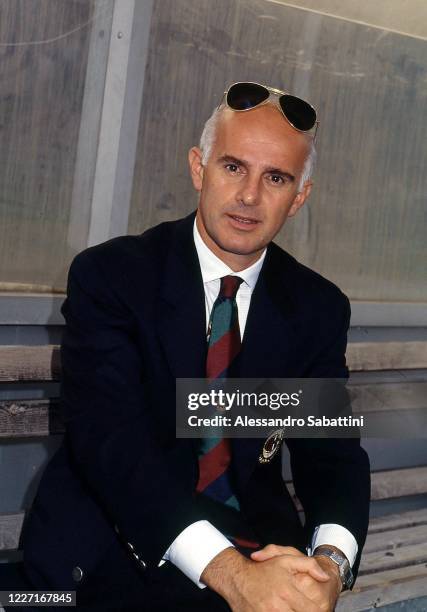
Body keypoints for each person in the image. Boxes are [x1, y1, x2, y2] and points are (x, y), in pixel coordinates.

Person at [22, 82, 370, 611]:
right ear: (197, 168)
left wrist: (328, 565)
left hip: (256, 545)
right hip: (112, 553)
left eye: (275, 178)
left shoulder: (316, 307)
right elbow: (113, 444)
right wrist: (230, 574)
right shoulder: (113, 276)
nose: (250, 196)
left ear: (299, 196)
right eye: (233, 167)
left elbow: (333, 457)